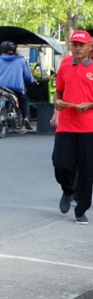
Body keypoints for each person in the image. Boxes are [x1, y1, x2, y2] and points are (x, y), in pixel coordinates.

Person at [52, 30, 93, 224]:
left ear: (89, 47)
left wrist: (90, 105)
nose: (77, 48)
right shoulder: (65, 66)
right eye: (74, 45)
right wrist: (57, 103)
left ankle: (81, 210)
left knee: (87, 170)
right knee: (60, 165)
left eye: (81, 45)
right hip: (66, 124)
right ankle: (68, 190)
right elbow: (58, 92)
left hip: (88, 127)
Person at [0, 40, 37, 130]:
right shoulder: (21, 60)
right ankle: (26, 118)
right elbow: (27, 76)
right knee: (24, 99)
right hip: (16, 87)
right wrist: (33, 80)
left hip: (1, 87)